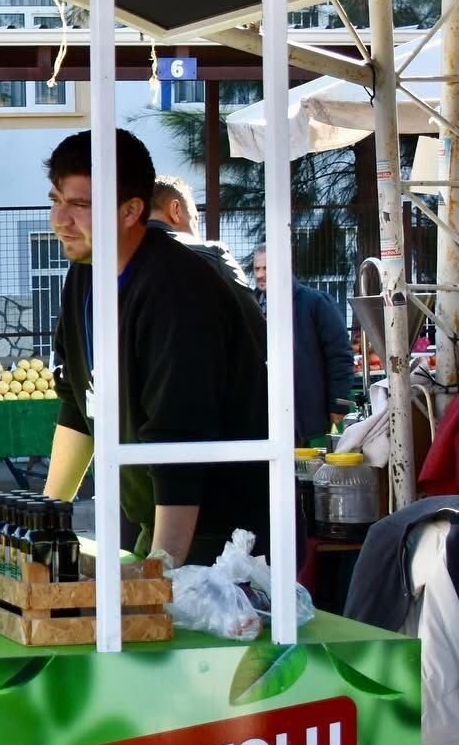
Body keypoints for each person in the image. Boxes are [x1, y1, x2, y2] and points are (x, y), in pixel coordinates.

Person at [41, 129, 270, 566]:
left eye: (80, 205)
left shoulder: (178, 290)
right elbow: (78, 401)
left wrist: (161, 576)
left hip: (227, 542)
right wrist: (44, 522)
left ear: (131, 210)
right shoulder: (86, 273)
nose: (59, 219)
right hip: (159, 520)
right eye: (56, 199)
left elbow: (179, 443)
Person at [253, 245, 355, 444]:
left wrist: (339, 406)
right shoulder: (251, 305)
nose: (261, 274)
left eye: (266, 268)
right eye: (257, 269)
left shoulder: (315, 303)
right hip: (263, 415)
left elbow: (339, 356)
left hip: (305, 416)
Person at [148, 175, 251, 292]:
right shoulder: (212, 256)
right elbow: (249, 309)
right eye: (195, 219)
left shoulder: (124, 257)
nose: (197, 233)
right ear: (175, 209)